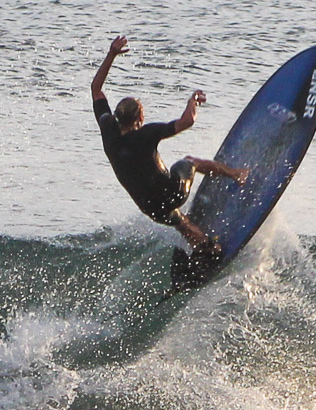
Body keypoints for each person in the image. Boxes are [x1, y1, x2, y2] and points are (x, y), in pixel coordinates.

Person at [91, 35, 248, 259]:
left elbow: (96, 88)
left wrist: (111, 55)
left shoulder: (108, 130)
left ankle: (205, 247)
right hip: (175, 192)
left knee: (178, 219)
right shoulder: (147, 133)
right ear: (140, 117)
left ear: (116, 117)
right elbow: (188, 121)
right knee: (190, 162)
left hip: (150, 209)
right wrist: (192, 101)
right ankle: (236, 174)